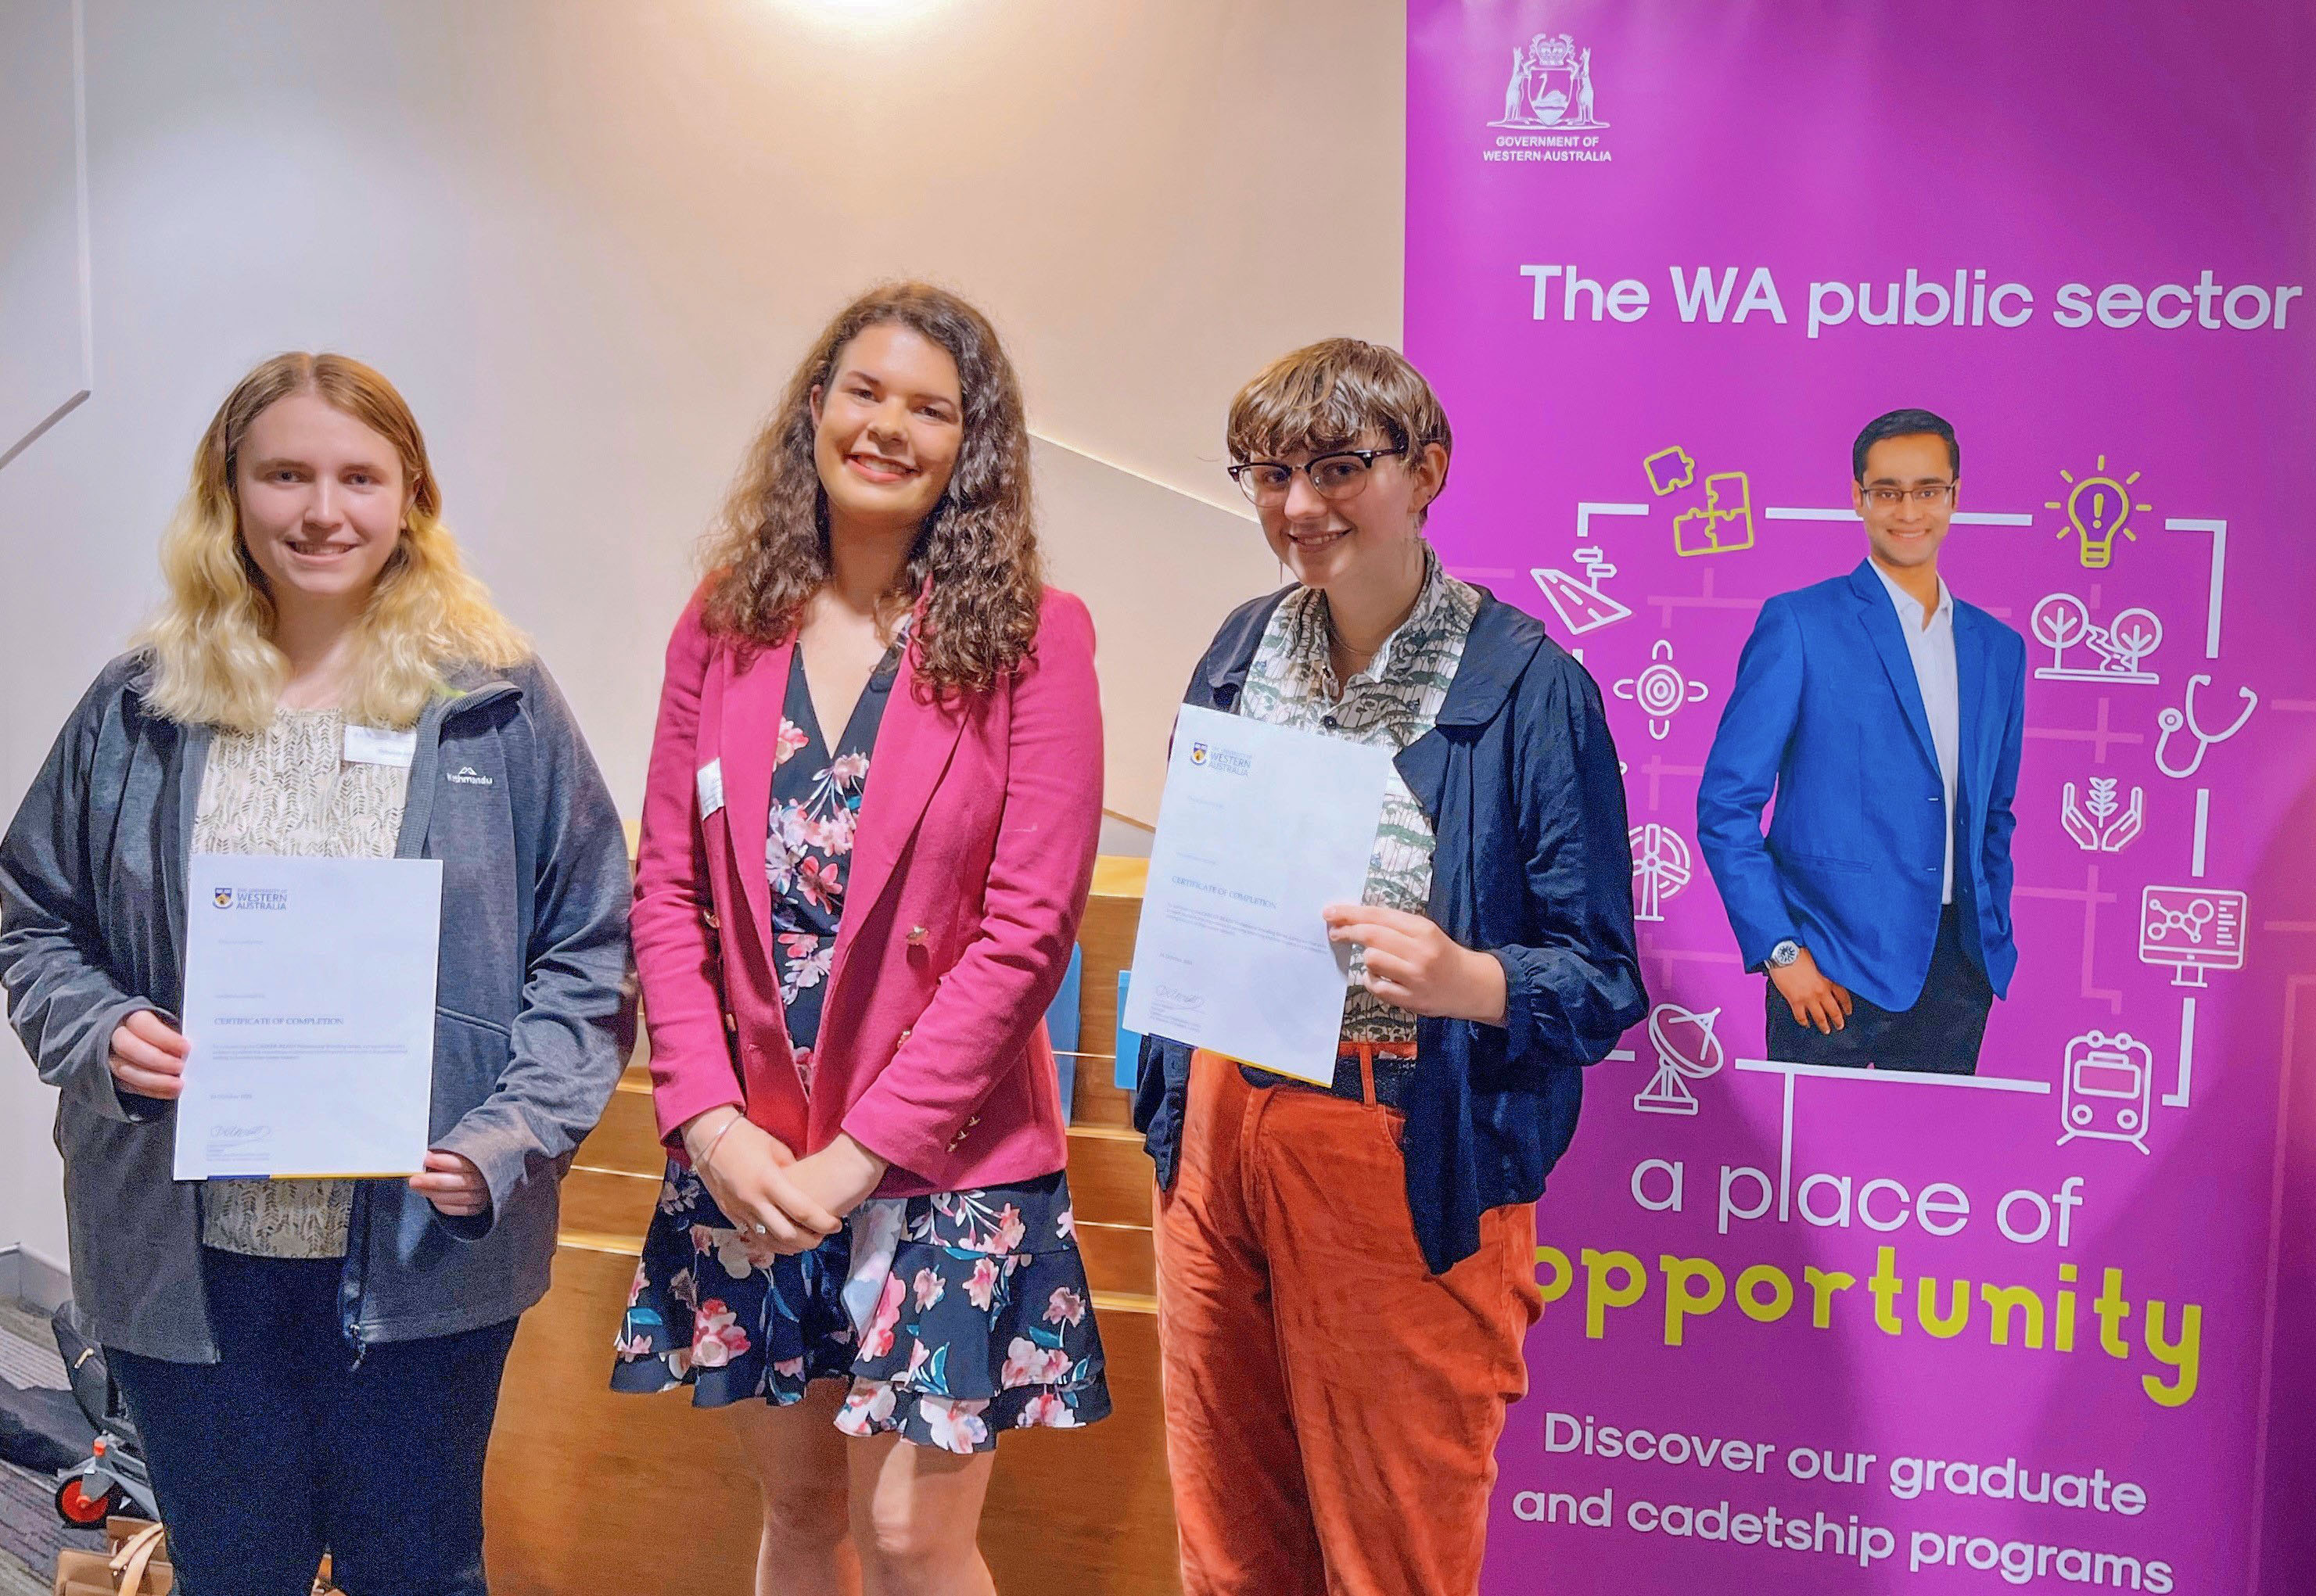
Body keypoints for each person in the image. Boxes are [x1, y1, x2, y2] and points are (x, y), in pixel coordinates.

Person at [0, 353, 634, 1595]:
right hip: (190, 1266)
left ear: (412, 498)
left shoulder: (496, 705)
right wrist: (102, 1030)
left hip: (420, 1250)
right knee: (236, 1571)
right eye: (283, 474)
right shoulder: (142, 704)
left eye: (357, 476)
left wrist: (509, 1134)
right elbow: (34, 919)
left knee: (420, 1569)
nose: (321, 510)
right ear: (228, 494)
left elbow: (591, 949)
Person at [613, 282, 1108, 1596]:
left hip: (945, 1153)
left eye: (930, 407)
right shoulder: (724, 621)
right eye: (864, 391)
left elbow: (1028, 929)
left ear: (971, 446)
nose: (887, 425)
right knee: (798, 1508)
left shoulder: (1035, 639)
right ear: (816, 410)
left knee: (911, 1538)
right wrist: (710, 1123)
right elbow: (664, 889)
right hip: (755, 1153)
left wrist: (859, 1156)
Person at [1133, 339, 1646, 1595]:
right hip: (1220, 1121)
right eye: (1268, 474)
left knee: (1392, 1553)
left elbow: (1602, 975)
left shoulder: (1528, 686)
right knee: (1226, 1541)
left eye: (1336, 468)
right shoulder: (1240, 650)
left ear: (1426, 472)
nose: (1297, 506)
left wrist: (1476, 980)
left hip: (1400, 1134)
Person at [1697, 407, 2027, 1076]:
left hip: (1956, 974)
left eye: (1927, 490)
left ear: (1954, 497)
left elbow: (1994, 812)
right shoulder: (1798, 624)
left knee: (1936, 1180)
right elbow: (1725, 806)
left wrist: (1988, 943)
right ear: (1858, 497)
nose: (1909, 510)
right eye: (1887, 491)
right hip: (1830, 974)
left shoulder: (1999, 651)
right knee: (1809, 1182)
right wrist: (1781, 953)